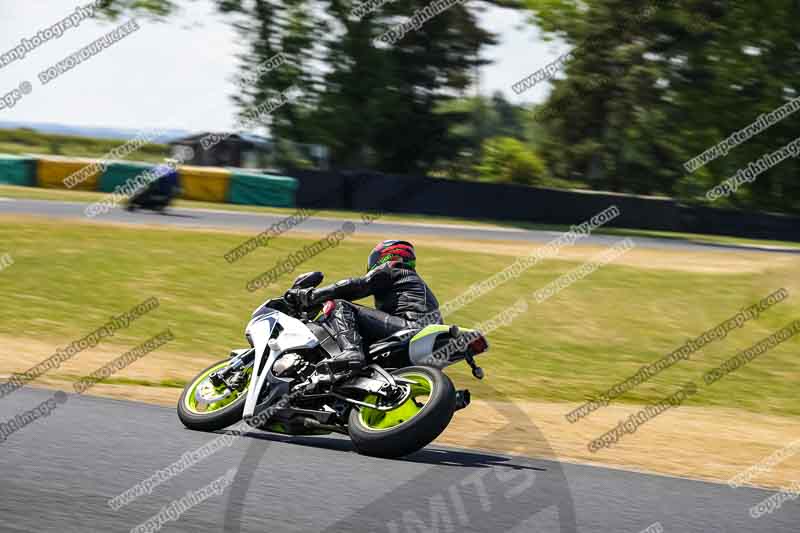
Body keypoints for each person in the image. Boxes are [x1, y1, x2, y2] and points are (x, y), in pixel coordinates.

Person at [285, 240, 442, 376]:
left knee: (339, 305)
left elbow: (355, 286)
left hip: (411, 328)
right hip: (425, 342)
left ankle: (351, 351)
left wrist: (311, 295)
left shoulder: (394, 268)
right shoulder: (411, 283)